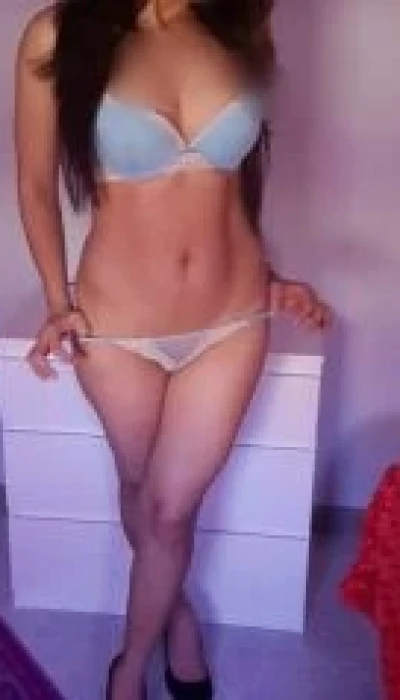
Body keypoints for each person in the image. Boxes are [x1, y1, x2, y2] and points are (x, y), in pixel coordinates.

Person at [14, 0, 332, 698]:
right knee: (141, 488)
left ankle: (128, 669)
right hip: (117, 326)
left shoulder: (239, 23)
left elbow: (238, 186)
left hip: (231, 318)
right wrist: (59, 302)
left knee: (168, 509)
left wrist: (271, 278)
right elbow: (36, 187)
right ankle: (177, 616)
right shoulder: (58, 32)